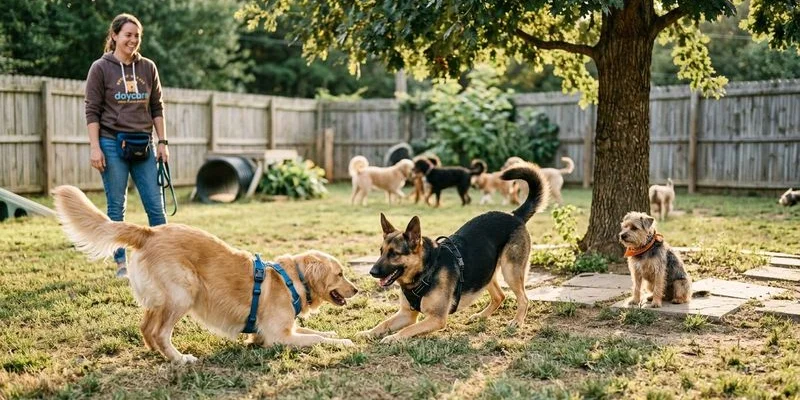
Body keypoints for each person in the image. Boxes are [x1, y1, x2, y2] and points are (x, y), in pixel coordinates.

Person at [84, 13, 169, 279]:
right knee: (115, 207)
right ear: (114, 36)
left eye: (136, 35)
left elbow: (157, 106)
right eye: (127, 35)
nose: (133, 40)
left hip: (144, 144)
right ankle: (121, 263)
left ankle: (166, 258)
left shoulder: (148, 67)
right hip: (111, 143)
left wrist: (163, 142)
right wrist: (95, 147)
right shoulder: (101, 67)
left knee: (156, 206)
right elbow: (92, 111)